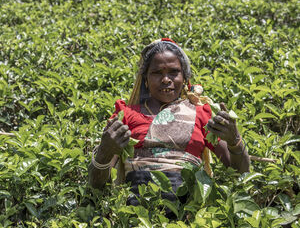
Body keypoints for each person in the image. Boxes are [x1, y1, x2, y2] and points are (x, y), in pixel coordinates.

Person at [88, 38, 250, 201]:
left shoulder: (200, 113)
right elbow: (96, 188)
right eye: (157, 73)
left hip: (187, 216)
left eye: (173, 72)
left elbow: (240, 173)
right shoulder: (127, 114)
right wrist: (104, 152)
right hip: (134, 214)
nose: (166, 79)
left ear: (185, 77)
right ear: (145, 78)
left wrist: (234, 140)